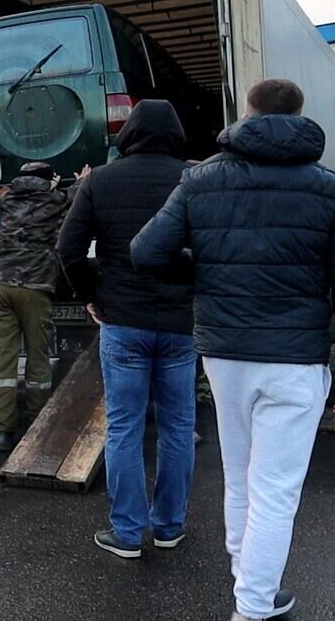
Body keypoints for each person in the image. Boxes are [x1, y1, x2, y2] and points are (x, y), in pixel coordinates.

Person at [131, 79, 335, 621]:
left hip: (225, 354)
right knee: (275, 490)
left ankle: (251, 583)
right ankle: (251, 606)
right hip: (294, 361)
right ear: (299, 114)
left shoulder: (201, 181)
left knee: (241, 474)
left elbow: (146, 252)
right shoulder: (329, 188)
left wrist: (206, 264)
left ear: (248, 113)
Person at [56, 100, 196, 559]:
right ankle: (170, 527)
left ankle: (129, 533)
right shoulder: (195, 178)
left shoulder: (100, 180)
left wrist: (92, 295)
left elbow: (69, 248)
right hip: (180, 324)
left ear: (129, 134)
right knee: (178, 426)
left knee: (124, 427)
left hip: (123, 322)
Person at [0, 161, 81, 453]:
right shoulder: (54, 200)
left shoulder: (6, 199)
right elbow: (77, 198)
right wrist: (81, 180)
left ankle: (4, 432)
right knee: (38, 358)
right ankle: (36, 423)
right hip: (35, 285)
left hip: (1, 285)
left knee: (3, 360)